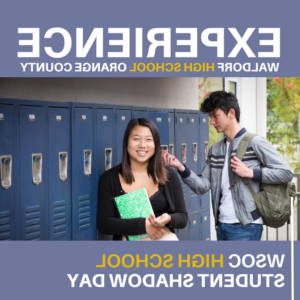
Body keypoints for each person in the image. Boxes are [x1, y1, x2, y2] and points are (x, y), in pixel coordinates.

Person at [163, 91, 293, 241]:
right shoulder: (216, 149)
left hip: (246, 226)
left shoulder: (255, 142)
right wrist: (181, 167)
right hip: (222, 225)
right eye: (210, 117)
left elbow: (286, 172)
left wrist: (251, 173)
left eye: (215, 116)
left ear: (231, 113)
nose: (211, 122)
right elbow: (202, 186)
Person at [97, 118, 188, 240]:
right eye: (136, 139)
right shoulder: (109, 178)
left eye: (149, 140)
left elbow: (182, 217)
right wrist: (143, 226)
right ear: (127, 142)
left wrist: (168, 218)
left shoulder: (168, 175)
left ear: (155, 144)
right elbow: (104, 224)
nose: (142, 145)